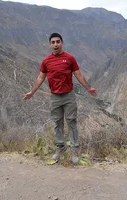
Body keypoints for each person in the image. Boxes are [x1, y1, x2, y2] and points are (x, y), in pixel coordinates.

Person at [24, 33, 97, 164]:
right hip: (55, 97)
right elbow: (41, 77)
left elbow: (78, 75)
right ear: (50, 44)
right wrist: (32, 92)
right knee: (57, 123)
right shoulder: (46, 61)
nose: (55, 44)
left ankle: (75, 150)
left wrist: (88, 88)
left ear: (62, 43)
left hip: (69, 96)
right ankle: (60, 147)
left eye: (58, 41)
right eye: (53, 42)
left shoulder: (70, 58)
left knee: (72, 122)